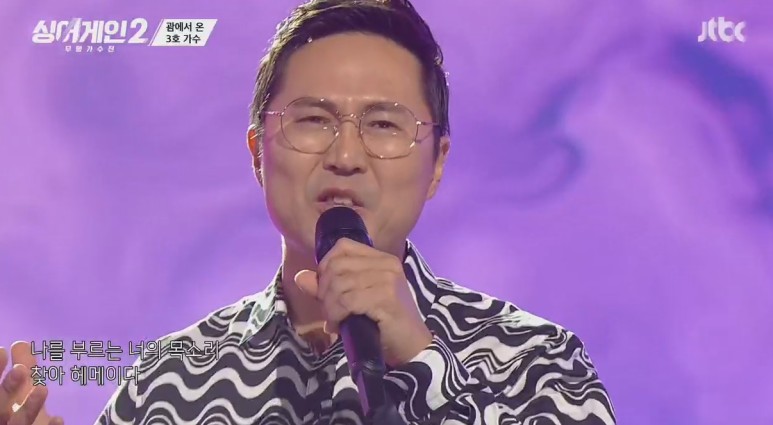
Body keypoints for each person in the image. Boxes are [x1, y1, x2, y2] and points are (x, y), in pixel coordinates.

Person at [0, 0, 616, 423]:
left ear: (437, 165)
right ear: (257, 153)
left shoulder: (537, 361)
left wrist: (419, 362)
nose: (345, 156)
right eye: (314, 121)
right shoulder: (167, 384)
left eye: (383, 124)